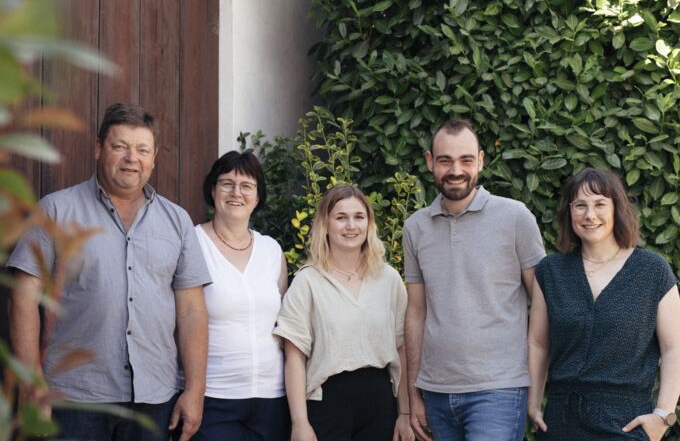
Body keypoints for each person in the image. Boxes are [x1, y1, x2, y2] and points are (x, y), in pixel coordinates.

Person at [7, 103, 211, 441]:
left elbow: (192, 309)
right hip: (75, 398)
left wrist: (195, 389)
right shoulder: (55, 210)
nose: (132, 157)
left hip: (154, 399)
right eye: (120, 147)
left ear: (154, 157)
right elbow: (23, 297)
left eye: (142, 149)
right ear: (99, 149)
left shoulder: (177, 221)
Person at [402, 119, 545, 441]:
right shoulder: (415, 228)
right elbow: (415, 313)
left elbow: (543, 300)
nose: (456, 170)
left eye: (466, 160)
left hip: (498, 389)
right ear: (429, 162)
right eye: (445, 160)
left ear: (480, 160)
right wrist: (414, 392)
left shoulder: (515, 217)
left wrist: (536, 384)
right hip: (435, 390)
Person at [527, 167, 680, 441]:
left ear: (616, 209)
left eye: (600, 204)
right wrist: (533, 402)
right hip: (561, 422)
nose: (589, 215)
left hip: (626, 424)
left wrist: (664, 415)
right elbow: (538, 342)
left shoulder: (653, 271)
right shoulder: (550, 271)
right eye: (580, 206)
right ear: (569, 212)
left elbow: (674, 347)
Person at [274, 184, 414, 441]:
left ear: (369, 224)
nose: (351, 225)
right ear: (325, 224)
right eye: (341, 217)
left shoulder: (389, 279)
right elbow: (294, 357)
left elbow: (403, 350)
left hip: (380, 405)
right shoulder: (308, 281)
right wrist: (299, 423)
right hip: (327, 405)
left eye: (359, 217)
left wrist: (405, 414)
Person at [188, 150, 290, 440]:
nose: (236, 193)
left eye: (247, 186)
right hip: (214, 397)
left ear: (258, 197)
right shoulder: (193, 243)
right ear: (212, 189)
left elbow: (281, 325)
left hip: (272, 398)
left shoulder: (272, 250)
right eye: (226, 183)